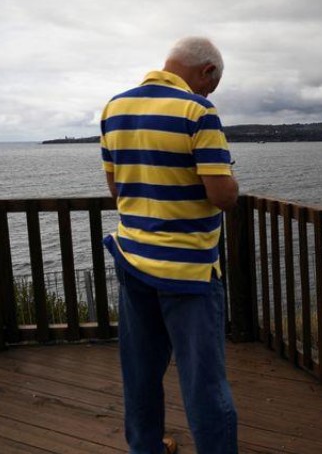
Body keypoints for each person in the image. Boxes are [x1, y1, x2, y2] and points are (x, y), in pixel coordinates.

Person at [100, 36, 239, 454]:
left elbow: (116, 188)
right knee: (204, 382)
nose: (207, 92)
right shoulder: (198, 112)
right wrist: (229, 178)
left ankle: (146, 448)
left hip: (133, 261)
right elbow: (222, 196)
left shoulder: (115, 108)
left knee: (141, 372)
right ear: (207, 72)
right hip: (188, 272)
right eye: (210, 85)